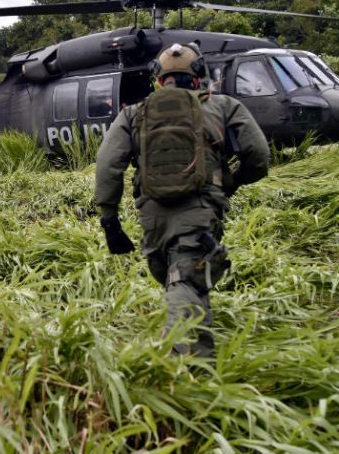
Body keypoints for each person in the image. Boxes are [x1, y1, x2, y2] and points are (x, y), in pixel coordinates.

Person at [94, 43, 270, 358]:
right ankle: (186, 367)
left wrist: (110, 221)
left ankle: (194, 356)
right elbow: (258, 156)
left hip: (152, 216)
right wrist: (232, 182)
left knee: (182, 277)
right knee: (185, 280)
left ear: (159, 80)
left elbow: (108, 166)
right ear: (199, 76)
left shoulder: (133, 114)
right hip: (199, 210)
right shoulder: (223, 105)